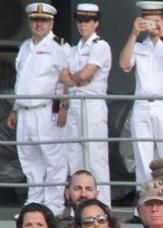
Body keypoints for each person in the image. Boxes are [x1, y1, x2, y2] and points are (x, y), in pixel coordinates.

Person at [7, 3, 70, 213]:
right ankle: (35, 203)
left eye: (43, 21)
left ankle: (54, 205)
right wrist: (14, 109)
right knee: (29, 159)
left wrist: (64, 106)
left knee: (53, 159)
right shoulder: (25, 46)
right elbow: (21, 81)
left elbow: (66, 80)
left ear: (51, 23)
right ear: (30, 22)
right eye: (35, 20)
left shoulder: (59, 47)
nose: (39, 24)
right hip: (24, 111)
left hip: (46, 110)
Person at [119, 1, 163, 190]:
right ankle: (143, 198)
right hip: (141, 104)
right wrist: (134, 34)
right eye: (148, 22)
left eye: (156, 21)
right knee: (142, 155)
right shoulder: (139, 46)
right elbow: (124, 64)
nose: (153, 26)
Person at [61, 3, 112, 206]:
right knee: (74, 156)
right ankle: (78, 206)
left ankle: (102, 205)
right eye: (80, 21)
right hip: (74, 104)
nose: (83, 25)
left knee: (95, 156)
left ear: (96, 23)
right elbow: (65, 78)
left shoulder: (100, 46)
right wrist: (75, 83)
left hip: (92, 105)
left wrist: (75, 78)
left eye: (87, 21)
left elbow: (86, 74)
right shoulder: (73, 50)